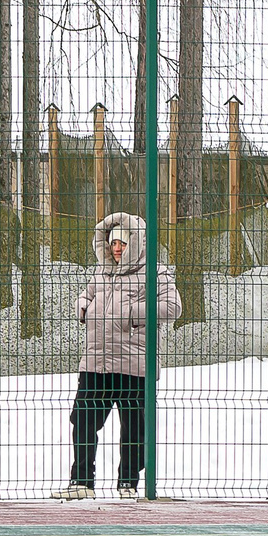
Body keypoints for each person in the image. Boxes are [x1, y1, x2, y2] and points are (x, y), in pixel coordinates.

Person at [59, 212, 179, 500]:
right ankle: (81, 482)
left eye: (123, 242)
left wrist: (130, 314)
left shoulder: (155, 272)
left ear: (136, 243)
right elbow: (86, 296)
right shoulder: (100, 271)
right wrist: (83, 307)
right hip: (96, 363)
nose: (116, 248)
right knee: (83, 419)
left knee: (133, 429)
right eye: (113, 242)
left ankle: (128, 482)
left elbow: (172, 307)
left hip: (133, 365)